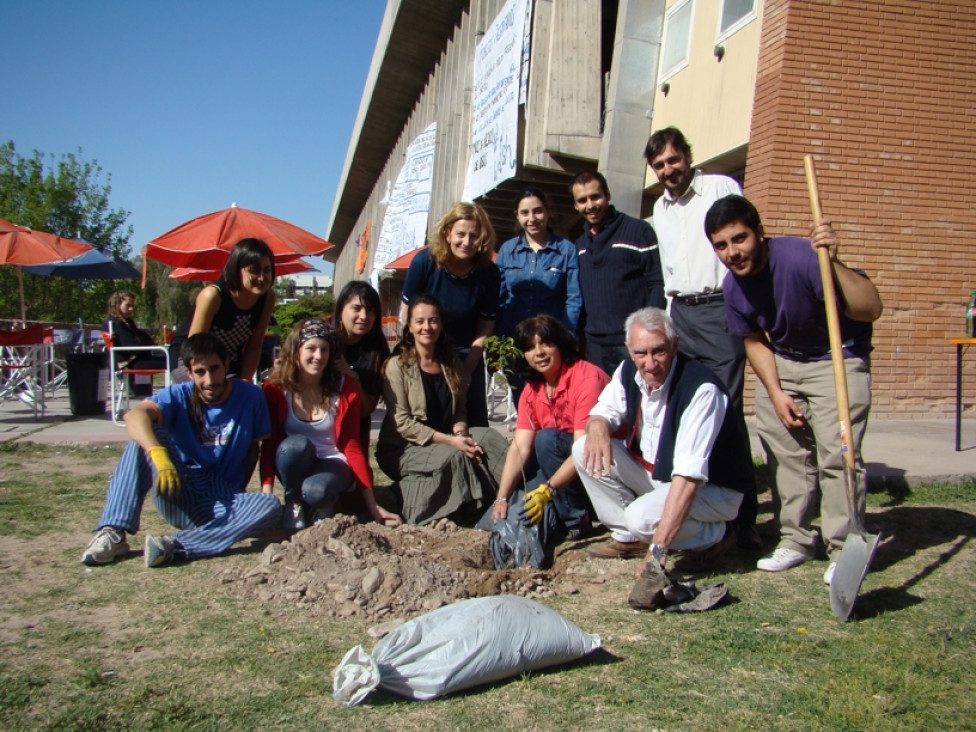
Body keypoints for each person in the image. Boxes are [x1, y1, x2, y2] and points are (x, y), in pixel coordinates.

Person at [705, 195, 883, 584]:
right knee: (784, 452)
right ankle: (797, 540)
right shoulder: (733, 288)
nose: (733, 253)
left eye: (740, 239)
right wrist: (776, 392)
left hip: (837, 357)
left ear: (760, 233)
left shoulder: (804, 258)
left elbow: (871, 308)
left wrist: (832, 261)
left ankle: (844, 548)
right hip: (784, 359)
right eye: (722, 245)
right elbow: (753, 340)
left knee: (839, 454)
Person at [645, 127, 761, 551]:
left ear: (688, 156)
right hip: (682, 315)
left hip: (718, 306)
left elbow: (739, 241)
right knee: (687, 408)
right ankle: (694, 502)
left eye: (673, 160)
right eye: (659, 165)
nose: (668, 170)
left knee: (725, 411)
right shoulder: (659, 207)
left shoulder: (719, 187)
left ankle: (743, 518)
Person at [572, 307, 755, 574]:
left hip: (714, 490)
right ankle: (630, 537)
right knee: (582, 448)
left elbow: (688, 478)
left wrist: (658, 552)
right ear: (629, 348)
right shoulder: (628, 372)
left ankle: (718, 533)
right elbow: (603, 411)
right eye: (640, 353)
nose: (650, 363)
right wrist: (598, 424)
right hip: (658, 476)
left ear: (675, 345)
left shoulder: (700, 390)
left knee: (641, 517)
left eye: (659, 350)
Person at [80, 333, 281, 568]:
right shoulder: (178, 395)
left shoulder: (250, 396)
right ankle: (113, 531)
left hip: (223, 495)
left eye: (215, 368)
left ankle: (173, 546)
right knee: (144, 436)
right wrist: (159, 455)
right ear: (189, 373)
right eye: (200, 372)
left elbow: (254, 450)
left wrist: (245, 491)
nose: (209, 380)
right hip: (180, 483)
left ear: (227, 364)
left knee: (270, 506)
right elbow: (134, 416)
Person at [376, 295, 508, 525]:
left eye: (433, 320)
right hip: (403, 448)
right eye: (420, 321)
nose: (427, 327)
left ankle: (514, 494)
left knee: (486, 437)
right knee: (457, 456)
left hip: (446, 441)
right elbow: (403, 424)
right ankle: (414, 497)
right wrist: (451, 442)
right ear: (410, 326)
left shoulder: (451, 363)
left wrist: (461, 435)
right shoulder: (396, 366)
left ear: (441, 324)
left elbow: (459, 412)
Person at [261, 319, 401, 531]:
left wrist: (373, 506)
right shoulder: (276, 389)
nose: (318, 356)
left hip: (333, 461)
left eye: (324, 349)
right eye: (311, 348)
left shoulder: (345, 388)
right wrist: (266, 497)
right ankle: (294, 502)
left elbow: (352, 447)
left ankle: (322, 505)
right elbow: (270, 445)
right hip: (295, 461)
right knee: (294, 446)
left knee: (316, 490)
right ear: (296, 351)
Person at [489, 315, 609, 540]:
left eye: (546, 343)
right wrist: (501, 498)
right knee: (501, 516)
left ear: (561, 345)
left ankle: (577, 519)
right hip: (569, 470)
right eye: (531, 347)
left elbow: (583, 448)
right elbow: (519, 448)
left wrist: (548, 491)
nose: (539, 352)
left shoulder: (586, 378)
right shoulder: (532, 389)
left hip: (605, 465)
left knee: (546, 440)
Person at [400, 202, 500, 427]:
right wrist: (418, 360)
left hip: (466, 352)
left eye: (474, 236)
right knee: (429, 419)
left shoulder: (489, 273)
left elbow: (485, 327)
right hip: (426, 349)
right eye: (461, 234)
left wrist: (466, 371)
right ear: (447, 234)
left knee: (472, 422)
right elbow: (406, 316)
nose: (467, 242)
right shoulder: (424, 262)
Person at [571, 171, 665, 375]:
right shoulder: (578, 246)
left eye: (595, 196)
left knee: (639, 404)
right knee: (604, 406)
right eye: (582, 200)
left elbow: (656, 284)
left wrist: (649, 333)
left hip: (633, 344)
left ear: (608, 195)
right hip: (595, 348)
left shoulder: (638, 231)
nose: (590, 205)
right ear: (576, 205)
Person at [169, 238, 277, 383]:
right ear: (237, 269)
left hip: (227, 358)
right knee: (210, 398)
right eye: (254, 270)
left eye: (267, 270)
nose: (262, 277)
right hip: (189, 358)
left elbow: (254, 346)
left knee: (239, 396)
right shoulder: (213, 295)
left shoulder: (267, 297)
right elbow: (195, 347)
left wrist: (245, 381)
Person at [496, 187, 581, 339]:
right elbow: (499, 298)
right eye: (524, 213)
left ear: (548, 211)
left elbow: (573, 300)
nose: (532, 218)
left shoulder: (567, 250)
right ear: (517, 215)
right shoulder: (507, 250)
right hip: (512, 337)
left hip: (550, 337)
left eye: (538, 211)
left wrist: (565, 336)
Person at [332, 280, 390, 449]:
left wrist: (352, 377)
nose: (364, 317)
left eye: (370, 310)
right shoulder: (323, 343)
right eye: (356, 308)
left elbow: (366, 410)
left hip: (355, 431)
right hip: (320, 428)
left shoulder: (377, 351)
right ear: (341, 309)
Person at [104, 290, 167, 396]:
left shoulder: (128, 322)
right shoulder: (115, 323)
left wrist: (142, 339)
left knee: (172, 360)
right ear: (117, 304)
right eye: (128, 305)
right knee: (172, 362)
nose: (131, 309)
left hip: (136, 359)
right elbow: (133, 346)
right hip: (128, 363)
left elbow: (142, 340)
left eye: (132, 306)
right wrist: (143, 340)